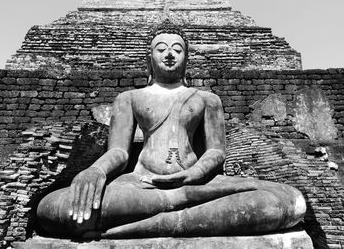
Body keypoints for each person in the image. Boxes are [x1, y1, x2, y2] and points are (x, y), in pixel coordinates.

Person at [37, 21, 306, 238]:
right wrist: (96, 170)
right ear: (150, 57)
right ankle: (180, 214)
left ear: (186, 58)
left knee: (289, 201)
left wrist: (192, 175)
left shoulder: (206, 99)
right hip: (141, 184)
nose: (169, 54)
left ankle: (147, 224)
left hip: (198, 183)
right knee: (52, 209)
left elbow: (216, 152)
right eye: (161, 48)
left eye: (177, 49)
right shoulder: (130, 98)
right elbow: (119, 151)